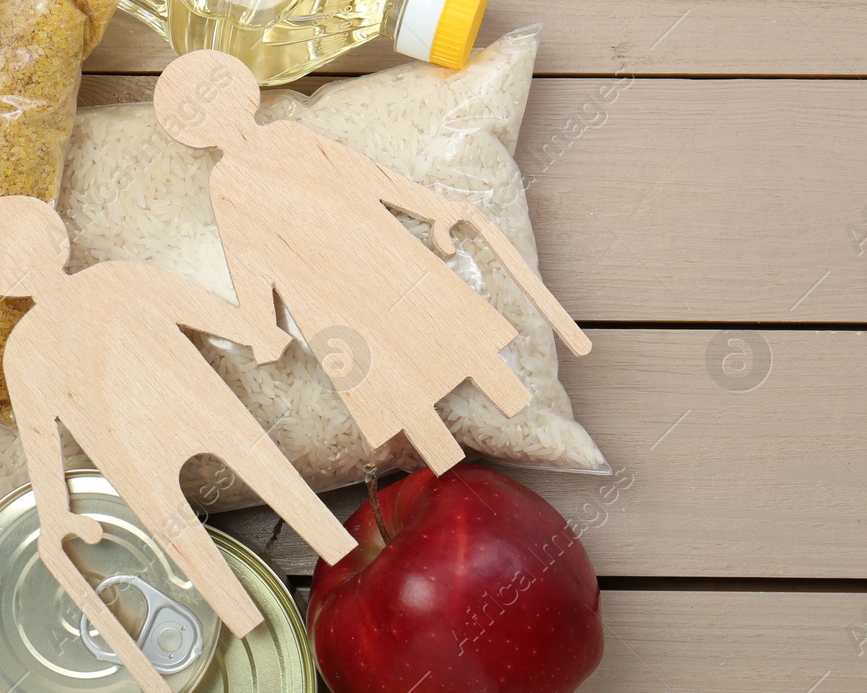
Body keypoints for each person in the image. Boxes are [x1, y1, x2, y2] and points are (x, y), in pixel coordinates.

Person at [152, 50, 591, 474]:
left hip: (378, 251)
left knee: (452, 334)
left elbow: (368, 178)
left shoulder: (286, 140)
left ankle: (517, 405)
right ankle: (444, 461)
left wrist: (430, 206)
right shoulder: (227, 181)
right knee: (390, 383)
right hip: (321, 291)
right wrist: (261, 321)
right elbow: (247, 257)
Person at [0, 195, 356, 659]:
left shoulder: (31, 343)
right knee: (244, 495)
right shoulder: (65, 318)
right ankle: (261, 623)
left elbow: (40, 438)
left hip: (173, 419)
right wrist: (254, 331)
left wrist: (56, 513)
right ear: (56, 241)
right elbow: (40, 436)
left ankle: (273, 611)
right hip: (161, 430)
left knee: (212, 514)